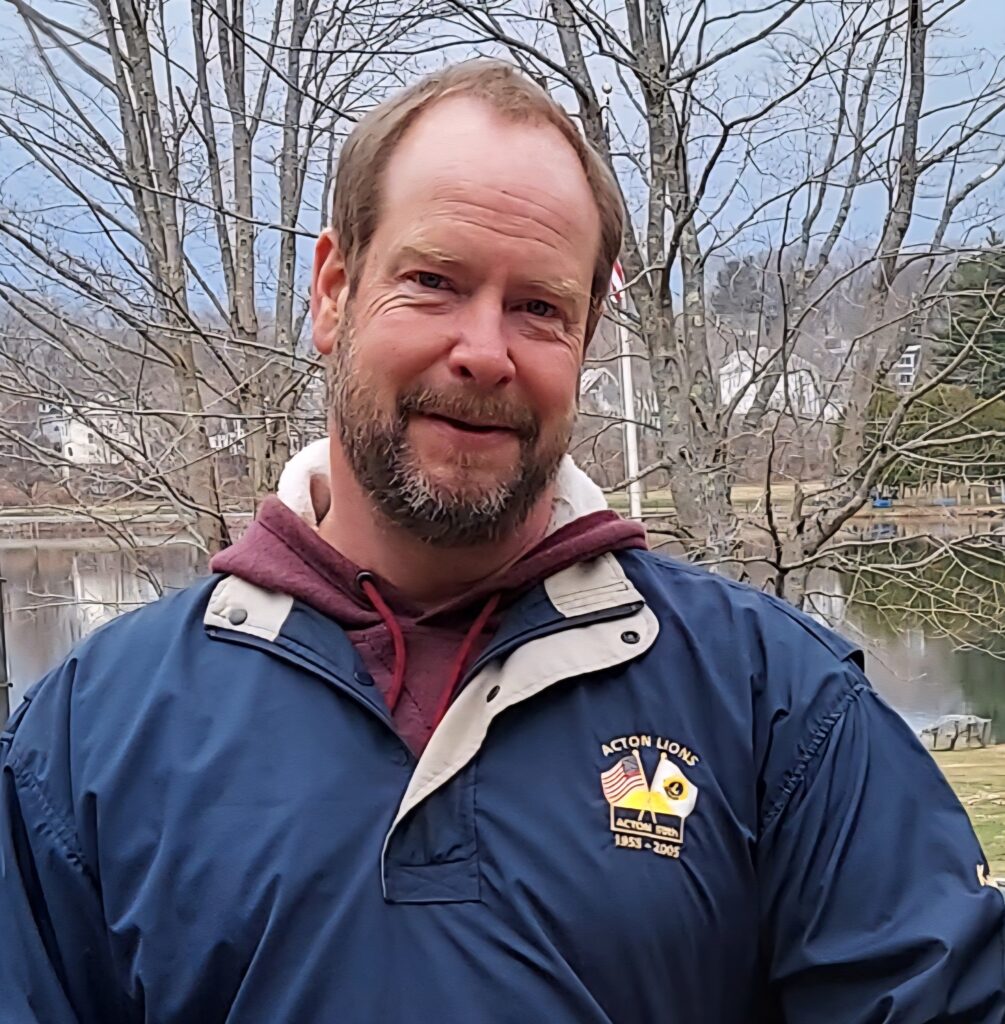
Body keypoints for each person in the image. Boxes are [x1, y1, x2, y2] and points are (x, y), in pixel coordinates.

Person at [1, 60, 1002, 1024]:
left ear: (585, 338)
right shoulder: (90, 740)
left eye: (538, 307)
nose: (484, 351)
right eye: (434, 281)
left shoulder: (776, 705)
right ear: (333, 290)